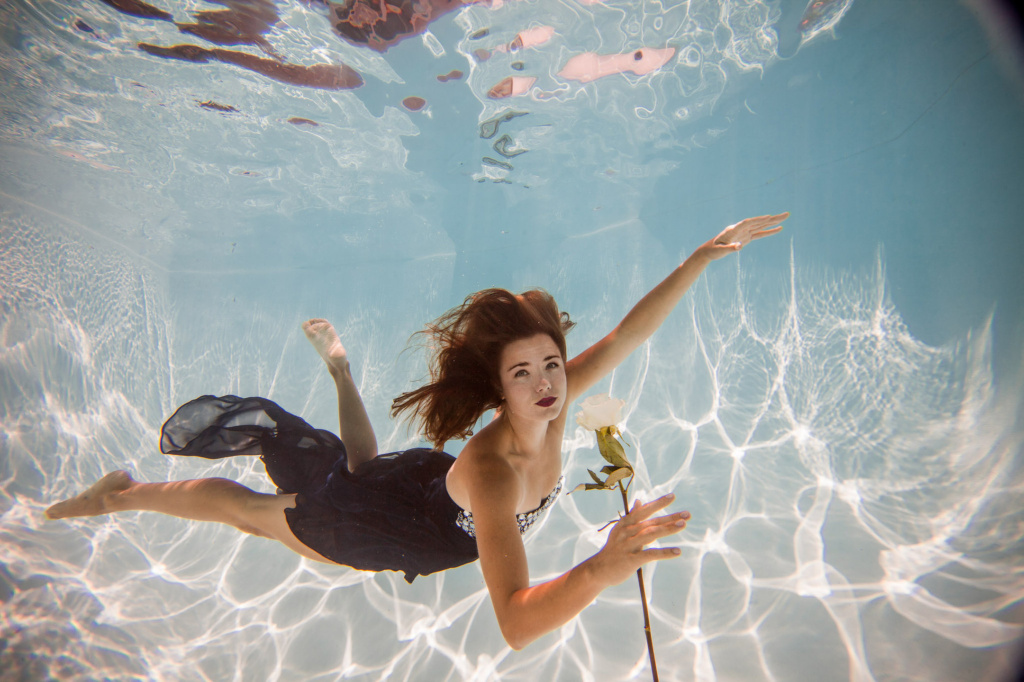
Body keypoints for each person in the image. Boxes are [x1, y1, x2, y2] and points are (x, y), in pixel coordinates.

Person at [46, 212, 788, 650]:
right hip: (400, 526)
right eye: (523, 374)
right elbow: (516, 623)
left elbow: (627, 335)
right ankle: (124, 495)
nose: (547, 385)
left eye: (553, 365)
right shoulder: (495, 473)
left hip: (426, 489)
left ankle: (341, 373)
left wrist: (699, 258)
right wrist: (598, 568)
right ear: (498, 390)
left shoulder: (555, 399)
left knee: (364, 466)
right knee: (259, 514)